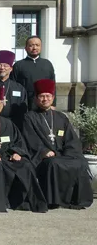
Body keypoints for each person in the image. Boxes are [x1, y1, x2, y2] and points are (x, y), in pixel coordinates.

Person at [0, 87, 48, 213]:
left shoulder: (7, 123)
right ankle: (0, 203)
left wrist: (16, 153)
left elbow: (18, 141)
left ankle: (24, 202)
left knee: (26, 165)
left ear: (2, 104)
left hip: (7, 156)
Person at [22, 79, 93, 209]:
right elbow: (31, 139)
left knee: (80, 162)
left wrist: (70, 153)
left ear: (53, 98)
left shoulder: (61, 117)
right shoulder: (30, 117)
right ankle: (55, 200)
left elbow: (72, 139)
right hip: (43, 158)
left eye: (48, 96)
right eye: (42, 96)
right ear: (36, 99)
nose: (45, 99)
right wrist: (44, 151)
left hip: (63, 155)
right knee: (53, 163)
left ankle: (76, 199)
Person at [11, 36, 56, 110]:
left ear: (41, 47)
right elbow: (13, 85)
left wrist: (53, 104)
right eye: (31, 45)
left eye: (37, 45)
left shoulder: (47, 64)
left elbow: (53, 85)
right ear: (26, 48)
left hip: (44, 102)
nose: (34, 48)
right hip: (24, 103)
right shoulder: (18, 65)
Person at [0, 50, 28, 129]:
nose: (2, 68)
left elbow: (23, 110)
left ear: (11, 68)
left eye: (5, 65)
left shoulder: (19, 88)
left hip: (14, 125)